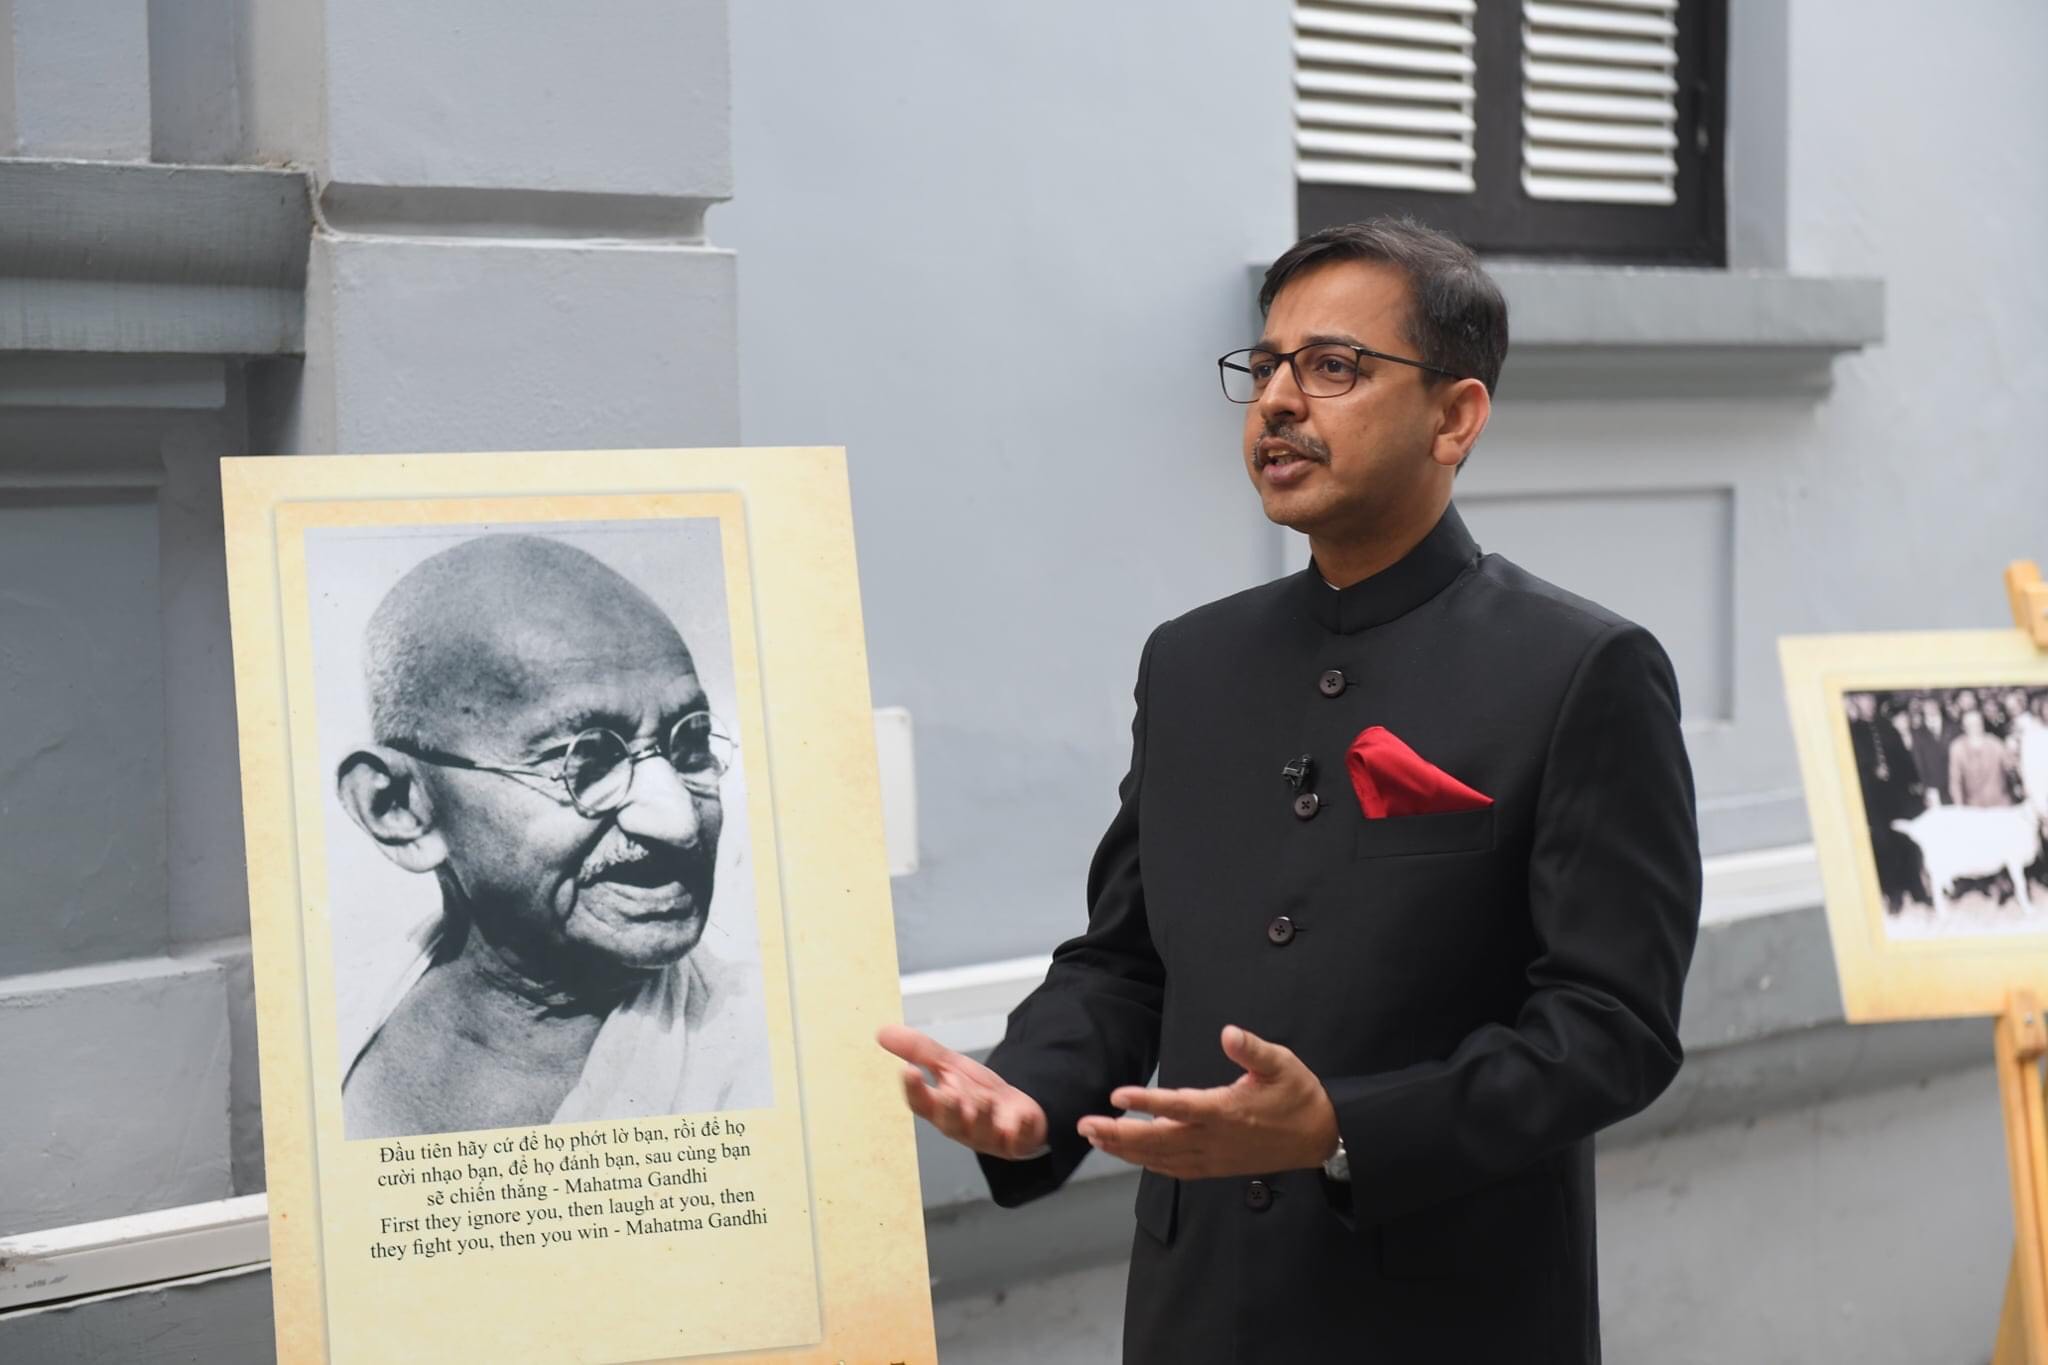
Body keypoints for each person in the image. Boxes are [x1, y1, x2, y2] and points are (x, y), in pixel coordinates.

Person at [879, 218, 1701, 1362]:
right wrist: (1030, 1096)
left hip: (1449, 1309)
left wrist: (1339, 1128)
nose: (1275, 402)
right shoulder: (1190, 663)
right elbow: (1124, 960)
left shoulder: (1578, 670)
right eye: (1262, 367)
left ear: (1454, 416)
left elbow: (1609, 1028)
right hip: (1198, 1307)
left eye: (1331, 368)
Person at [336, 533, 767, 1140]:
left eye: (689, 746)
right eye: (584, 762)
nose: (679, 822)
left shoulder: (769, 1055)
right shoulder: (328, 1020)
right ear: (399, 808)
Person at [1950, 707, 2013, 808]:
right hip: (1973, 806)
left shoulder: (1995, 742)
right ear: (1963, 726)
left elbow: (2010, 766)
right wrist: (1959, 807)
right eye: (1970, 724)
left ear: (1982, 723)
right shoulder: (1957, 747)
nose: (1974, 726)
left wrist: (2013, 751)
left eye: (1977, 722)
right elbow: (1955, 781)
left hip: (2000, 803)